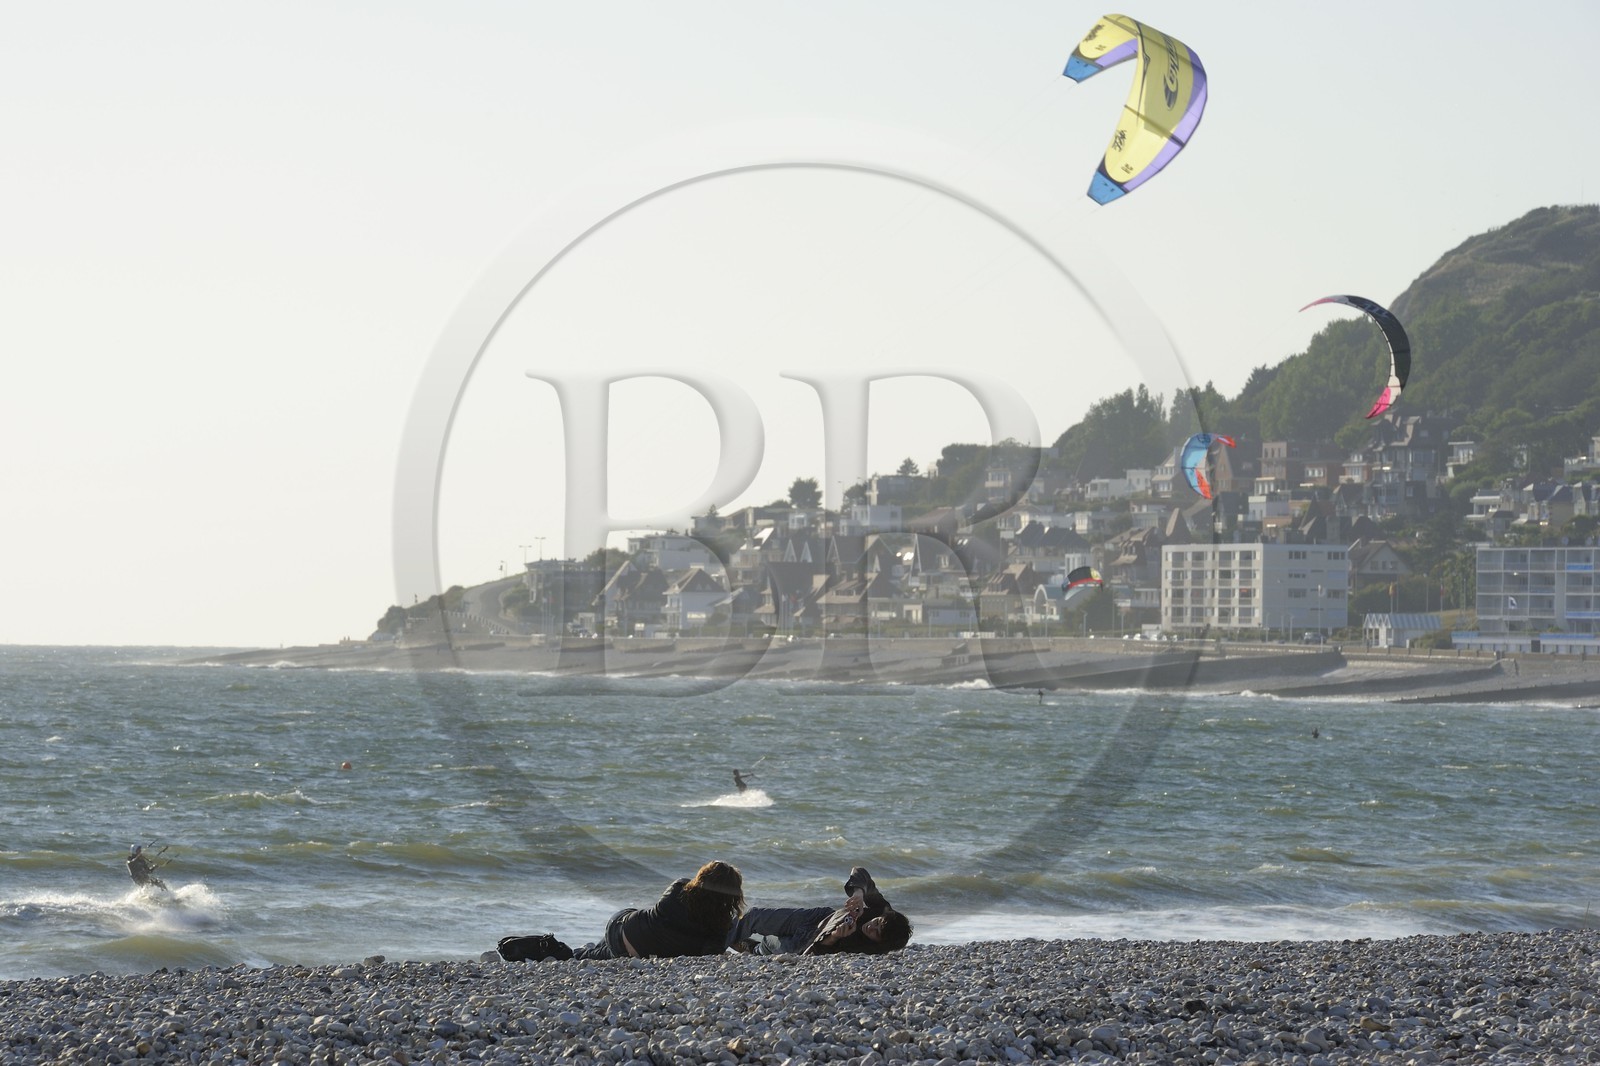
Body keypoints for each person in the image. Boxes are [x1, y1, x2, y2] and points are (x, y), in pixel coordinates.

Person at [498, 860, 745, 963]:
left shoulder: (680, 886)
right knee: (589, 955)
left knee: (592, 951)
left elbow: (663, 911)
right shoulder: (722, 923)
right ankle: (559, 950)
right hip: (636, 949)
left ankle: (552, 949)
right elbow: (709, 954)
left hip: (624, 929)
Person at [728, 866, 912, 956]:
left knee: (768, 945)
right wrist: (859, 893)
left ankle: (751, 947)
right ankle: (717, 939)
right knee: (754, 916)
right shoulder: (883, 911)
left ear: (881, 944)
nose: (871, 927)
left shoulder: (867, 950)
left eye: (876, 933)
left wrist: (834, 938)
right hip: (818, 916)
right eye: (877, 923)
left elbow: (813, 955)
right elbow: (859, 871)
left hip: (806, 943)